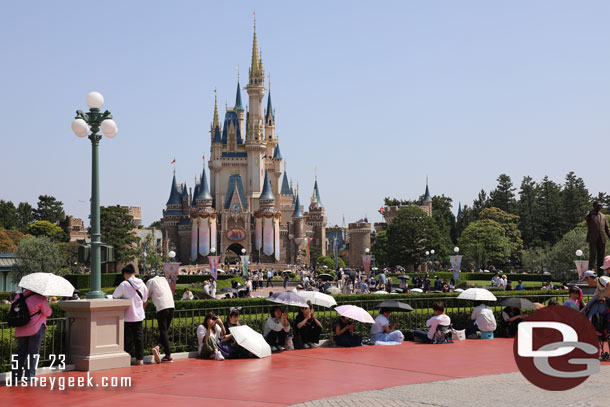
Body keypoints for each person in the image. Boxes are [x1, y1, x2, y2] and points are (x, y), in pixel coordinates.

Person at [10, 289, 52, 383]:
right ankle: (29, 376)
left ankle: (15, 376)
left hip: (21, 329)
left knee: (19, 353)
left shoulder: (19, 296)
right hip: (35, 329)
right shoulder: (41, 298)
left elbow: (11, 309)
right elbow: (48, 313)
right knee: (33, 353)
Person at [113, 264, 148, 365]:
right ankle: (140, 359)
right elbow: (145, 300)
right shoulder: (142, 284)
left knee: (126, 338)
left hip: (127, 316)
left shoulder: (124, 284)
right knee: (139, 338)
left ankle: (126, 358)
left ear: (125, 274)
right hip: (139, 316)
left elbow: (115, 297)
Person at [146, 273, 175, 363]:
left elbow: (145, 297)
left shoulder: (150, 282)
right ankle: (157, 347)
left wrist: (142, 309)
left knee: (163, 331)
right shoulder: (163, 279)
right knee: (165, 331)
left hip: (161, 307)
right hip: (171, 306)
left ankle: (168, 355)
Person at [585, 201, 610, 273]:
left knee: (601, 256)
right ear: (594, 206)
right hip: (593, 238)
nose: (600, 207)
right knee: (592, 255)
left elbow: (607, 228)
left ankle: (600, 272)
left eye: (601, 206)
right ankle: (591, 271)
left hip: (602, 238)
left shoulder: (603, 216)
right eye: (598, 205)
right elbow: (585, 218)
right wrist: (589, 213)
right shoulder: (590, 214)